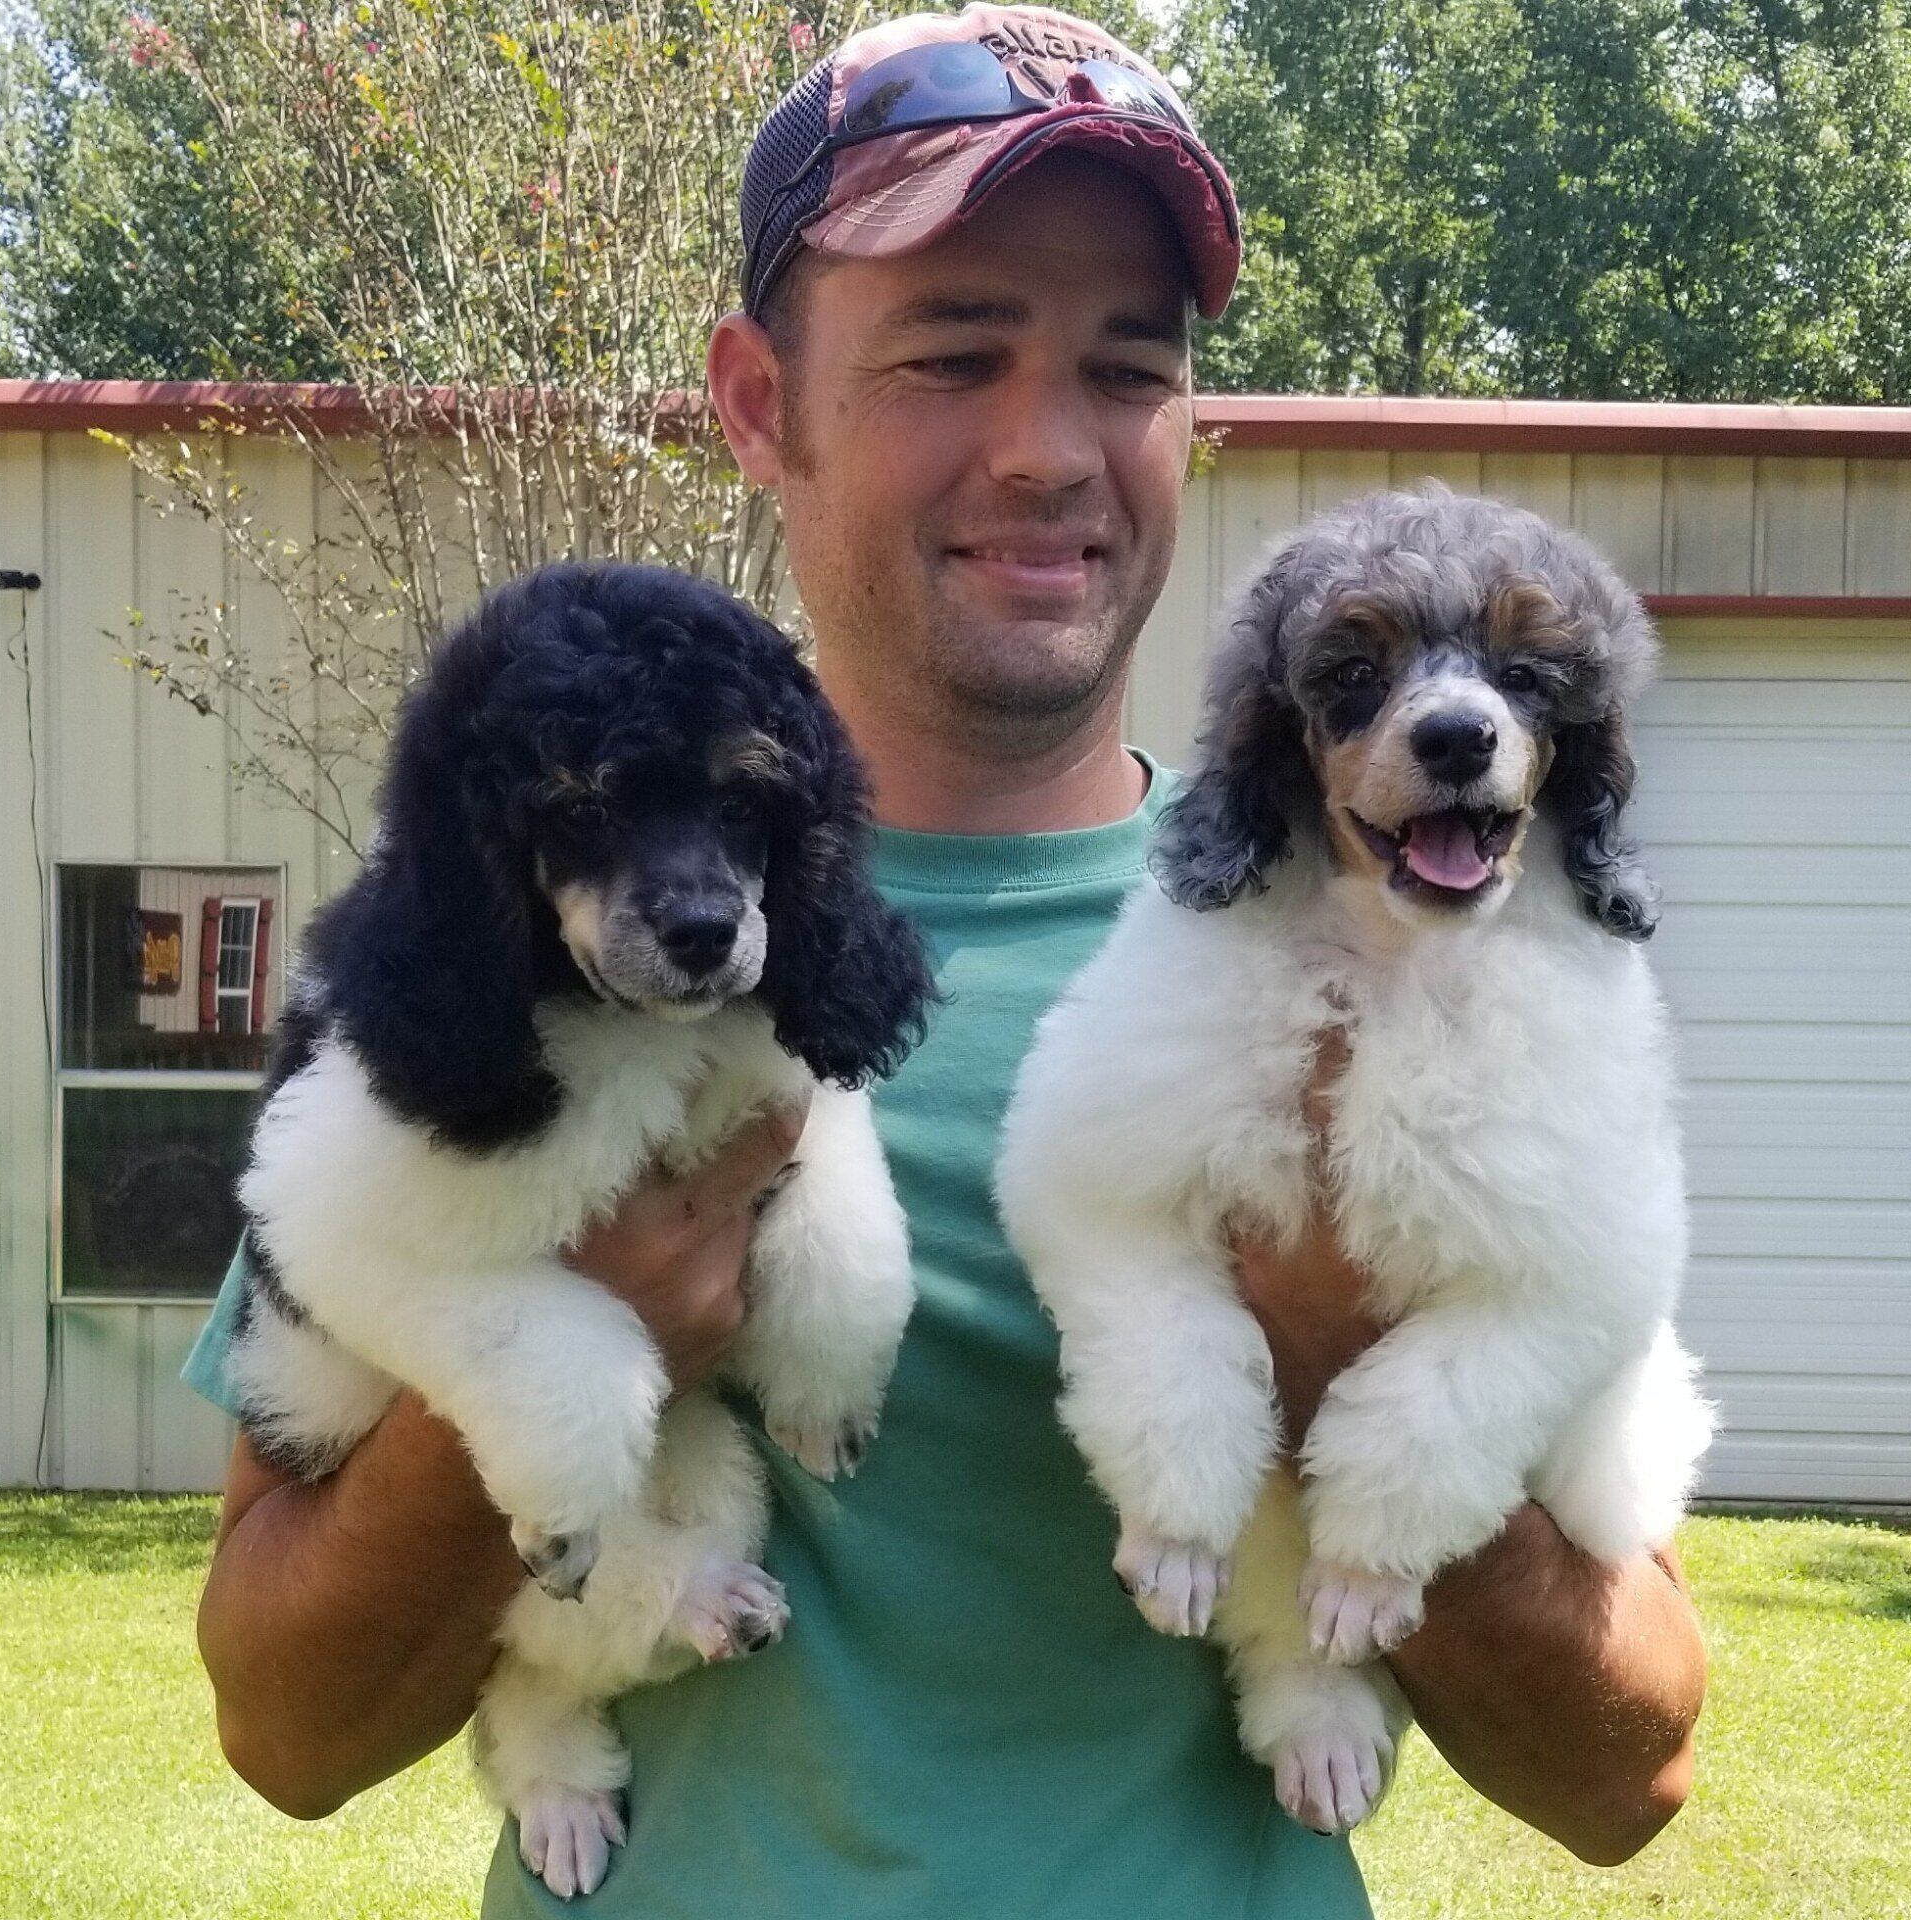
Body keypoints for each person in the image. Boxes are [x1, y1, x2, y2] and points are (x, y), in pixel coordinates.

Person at [183, 8, 1706, 1914]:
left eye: (1126, 367)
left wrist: (1332, 1361)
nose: (1049, 448)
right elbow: (286, 1731)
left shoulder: (1443, 960)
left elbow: (1630, 1771)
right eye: (954, 352)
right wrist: (581, 1336)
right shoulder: (489, 935)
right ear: (757, 402)